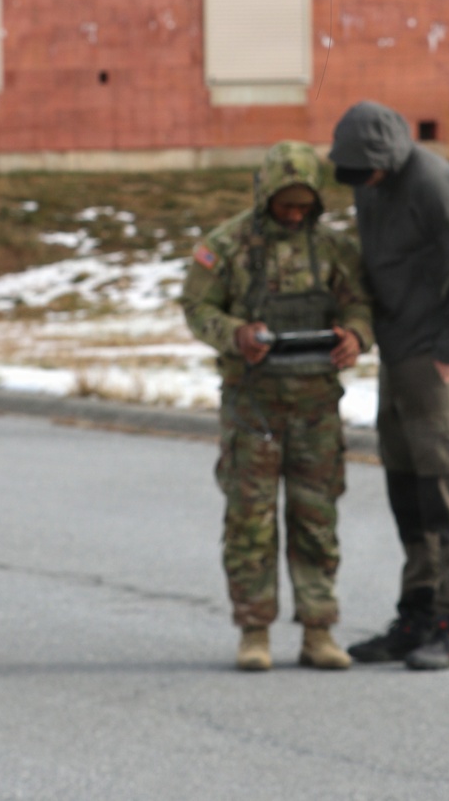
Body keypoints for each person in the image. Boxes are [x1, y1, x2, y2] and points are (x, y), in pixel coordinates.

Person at [179, 140, 373, 672]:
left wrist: (356, 335)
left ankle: (318, 630)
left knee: (317, 520)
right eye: (285, 205)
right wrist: (235, 334)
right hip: (253, 409)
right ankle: (254, 630)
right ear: (265, 197)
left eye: (302, 205)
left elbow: (360, 301)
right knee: (251, 522)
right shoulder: (228, 247)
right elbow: (196, 305)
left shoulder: (332, 250)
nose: (294, 214)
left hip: (316, 408)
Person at [329, 101, 449, 671]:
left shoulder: (434, 182)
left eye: (367, 170)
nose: (361, 183)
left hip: (436, 357)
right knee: (407, 488)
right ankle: (418, 613)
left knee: (444, 489)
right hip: (398, 354)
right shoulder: (368, 183)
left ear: (389, 156)